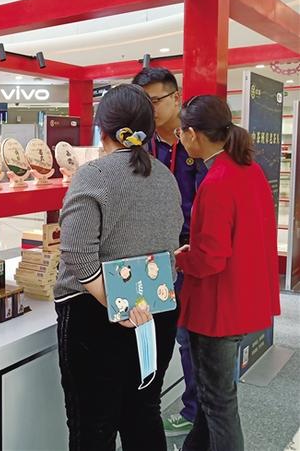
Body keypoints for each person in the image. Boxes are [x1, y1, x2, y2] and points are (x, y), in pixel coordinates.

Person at [54, 84, 184, 451]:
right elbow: (170, 242)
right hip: (156, 311)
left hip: (95, 316)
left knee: (94, 425)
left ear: (103, 129)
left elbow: (77, 253)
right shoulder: (165, 176)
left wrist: (118, 304)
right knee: (144, 412)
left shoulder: (94, 175)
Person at [173, 95, 280, 451]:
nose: (180, 138)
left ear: (193, 134)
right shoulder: (249, 171)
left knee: (218, 403)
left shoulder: (216, 180)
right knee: (213, 398)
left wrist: (182, 259)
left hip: (217, 308)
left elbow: (211, 259)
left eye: (181, 131)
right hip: (245, 297)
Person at [132, 67, 206, 436]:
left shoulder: (196, 139)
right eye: (142, 102)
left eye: (155, 100)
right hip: (148, 249)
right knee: (149, 331)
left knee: (189, 337)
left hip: (189, 249)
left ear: (176, 98)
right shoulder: (140, 142)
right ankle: (144, 412)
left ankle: (195, 410)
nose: (149, 109)